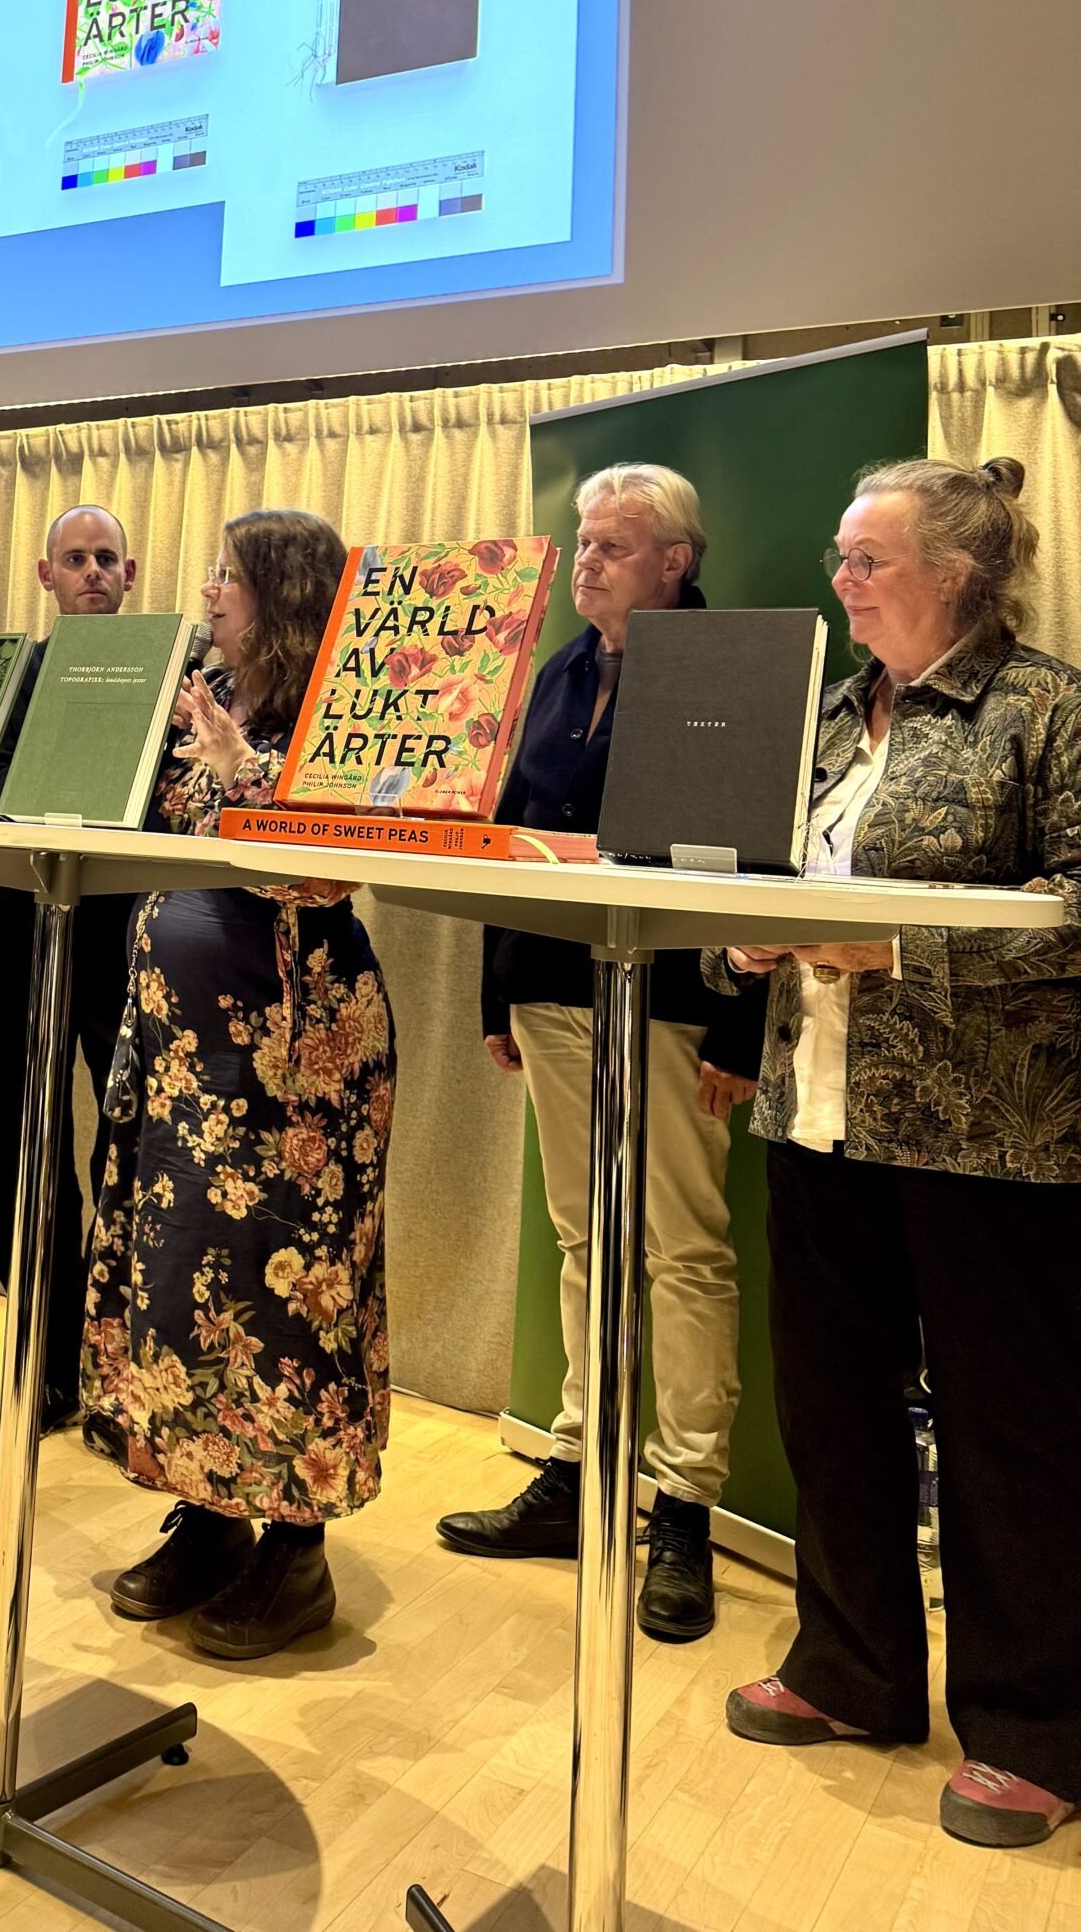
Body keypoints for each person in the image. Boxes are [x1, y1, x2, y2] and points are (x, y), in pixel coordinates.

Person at [713, 457, 1081, 1851]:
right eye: (841, 554)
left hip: (991, 1141)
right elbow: (749, 878)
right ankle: (851, 1668)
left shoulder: (1046, 710)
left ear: (957, 577)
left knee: (1009, 1435)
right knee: (830, 1406)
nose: (841, 580)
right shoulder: (822, 719)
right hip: (815, 1112)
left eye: (868, 559)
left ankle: (1033, 1730)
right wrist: (745, 937)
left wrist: (898, 948)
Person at [436, 464, 765, 1641]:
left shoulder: (726, 667)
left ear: (676, 560)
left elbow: (752, 858)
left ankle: (682, 1506)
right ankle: (580, 1471)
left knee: (682, 1248)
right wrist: (498, 989)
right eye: (582, 542)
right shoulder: (556, 673)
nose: (586, 562)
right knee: (586, 1238)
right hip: (551, 991)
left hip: (677, 1000)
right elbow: (509, 835)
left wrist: (741, 1024)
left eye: (613, 546)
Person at [82, 509, 396, 1660]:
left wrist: (242, 770)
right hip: (183, 1054)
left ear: (285, 593)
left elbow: (333, 868)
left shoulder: (343, 709)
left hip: (294, 1064)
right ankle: (210, 1515)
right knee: (182, 1285)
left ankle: (297, 1552)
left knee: (288, 1293)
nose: (209, 590)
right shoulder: (210, 689)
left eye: (229, 574)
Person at [0, 503, 139, 1443]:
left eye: (107, 558)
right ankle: (42, 1361)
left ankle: (121, 1373)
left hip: (125, 938)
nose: (92, 572)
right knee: (20, 1145)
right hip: (17, 927)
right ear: (46, 575)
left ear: (131, 573)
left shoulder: (168, 675)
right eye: (75, 559)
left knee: (131, 1149)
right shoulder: (6, 679)